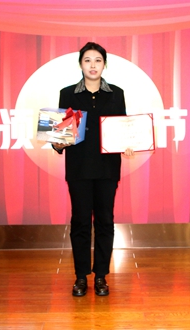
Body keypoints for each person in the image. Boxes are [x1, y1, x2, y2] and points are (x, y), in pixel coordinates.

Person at [52, 42, 133, 297]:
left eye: (98, 60)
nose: (93, 65)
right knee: (80, 222)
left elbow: (123, 129)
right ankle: (80, 277)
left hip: (107, 169)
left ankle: (100, 276)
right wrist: (57, 142)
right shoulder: (68, 94)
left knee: (105, 222)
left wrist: (129, 144)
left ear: (104, 64)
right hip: (79, 168)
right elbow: (61, 134)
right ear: (80, 64)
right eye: (87, 60)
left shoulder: (116, 94)